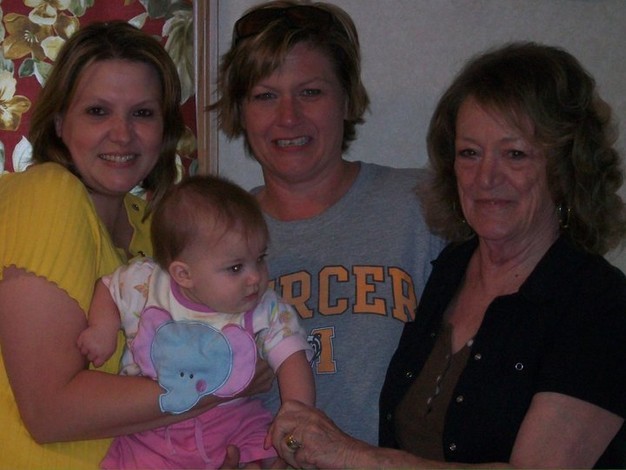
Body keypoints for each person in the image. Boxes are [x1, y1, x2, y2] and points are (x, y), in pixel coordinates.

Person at [265, 42, 626, 468]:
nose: (485, 177)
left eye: (515, 154)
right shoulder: (451, 267)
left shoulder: (601, 305)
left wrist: (351, 456)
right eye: (469, 153)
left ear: (566, 168)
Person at [0, 22, 271, 469]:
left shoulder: (150, 226)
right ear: (60, 123)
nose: (122, 134)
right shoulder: (46, 195)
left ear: (165, 130)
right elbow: (50, 412)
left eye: (142, 113)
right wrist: (228, 380)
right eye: (97, 112)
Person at [211, 0, 444, 448]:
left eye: (311, 92)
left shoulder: (425, 205)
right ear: (240, 111)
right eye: (265, 96)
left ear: (347, 99)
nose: (288, 117)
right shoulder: (212, 235)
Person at [78, 175, 315, 469]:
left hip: (232, 422)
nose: (255, 277)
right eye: (236, 268)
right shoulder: (146, 282)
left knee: (266, 451)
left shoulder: (264, 307)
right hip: (151, 428)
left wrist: (298, 416)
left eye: (260, 258)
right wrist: (102, 329)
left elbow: (292, 357)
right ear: (184, 274)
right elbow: (109, 288)